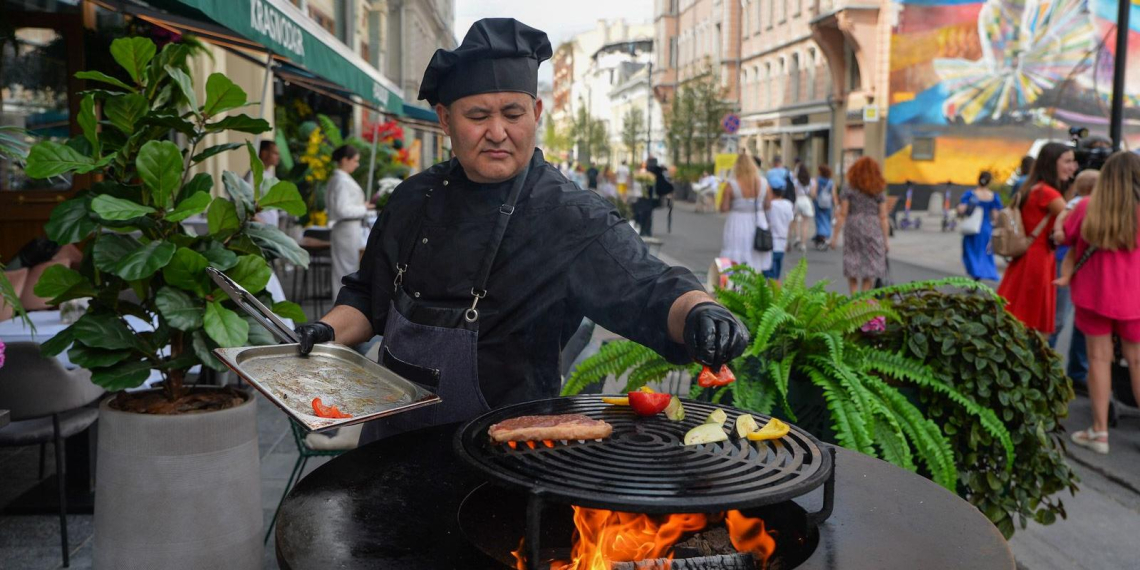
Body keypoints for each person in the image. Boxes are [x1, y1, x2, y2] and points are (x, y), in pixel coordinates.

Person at [292, 18, 747, 444]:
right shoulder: (413, 198)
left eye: (513, 113)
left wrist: (699, 313)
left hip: (508, 461)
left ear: (537, 111)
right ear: (446, 120)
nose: (497, 131)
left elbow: (650, 287)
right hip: (390, 447)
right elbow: (366, 298)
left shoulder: (568, 215)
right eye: (477, 116)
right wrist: (325, 333)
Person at [1062, 151, 1140, 454]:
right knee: (1136, 360)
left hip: (1094, 294)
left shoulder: (1085, 207)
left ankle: (1099, 432)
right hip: (1134, 296)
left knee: (1098, 359)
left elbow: (1067, 237)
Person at [996, 142, 1073, 335]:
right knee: (1029, 321)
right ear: (1052, 163)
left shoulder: (1035, 187)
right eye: (1067, 161)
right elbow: (1073, 221)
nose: (1072, 167)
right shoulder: (1048, 192)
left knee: (1017, 317)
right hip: (1037, 259)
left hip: (1029, 256)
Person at [831, 157, 890, 294]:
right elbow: (883, 216)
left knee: (852, 261)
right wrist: (886, 241)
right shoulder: (878, 189)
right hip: (872, 226)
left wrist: (834, 237)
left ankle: (853, 296)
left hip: (853, 226)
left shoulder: (849, 188)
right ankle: (863, 297)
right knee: (871, 264)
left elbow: (843, 213)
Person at [326, 144, 372, 299]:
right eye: (355, 160)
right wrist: (363, 209)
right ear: (345, 160)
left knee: (347, 270)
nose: (357, 164)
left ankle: (344, 307)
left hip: (348, 230)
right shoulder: (341, 180)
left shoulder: (340, 179)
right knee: (345, 272)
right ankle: (341, 308)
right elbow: (342, 210)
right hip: (346, 230)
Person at [719, 152, 772, 273]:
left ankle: (731, 287)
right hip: (758, 221)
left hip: (737, 221)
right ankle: (753, 284)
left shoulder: (732, 185)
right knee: (755, 255)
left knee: (732, 252)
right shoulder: (764, 183)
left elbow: (724, 208)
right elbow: (768, 205)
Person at [1052, 170, 1098, 287]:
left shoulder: (1084, 202)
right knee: (1070, 256)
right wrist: (1058, 230)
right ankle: (1065, 277)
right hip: (1075, 240)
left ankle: (1066, 277)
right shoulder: (1078, 202)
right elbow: (1062, 216)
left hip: (1080, 240)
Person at [956, 171, 1004, 281]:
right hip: (986, 227)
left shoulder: (971, 194)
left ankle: (975, 272)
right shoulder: (993, 196)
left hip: (972, 228)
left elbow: (961, 208)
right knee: (984, 252)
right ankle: (983, 272)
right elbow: (996, 215)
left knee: (970, 251)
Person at [244, 140, 282, 228]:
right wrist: (259, 222)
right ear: (264, 153)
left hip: (269, 231)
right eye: (275, 153)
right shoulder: (253, 175)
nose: (278, 157)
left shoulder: (269, 176)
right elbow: (245, 202)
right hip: (258, 230)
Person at [764, 185, 795, 280]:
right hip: (782, 242)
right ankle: (776, 293)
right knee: (776, 274)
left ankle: (773, 294)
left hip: (770, 242)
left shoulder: (770, 205)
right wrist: (789, 241)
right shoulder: (788, 204)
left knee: (769, 275)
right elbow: (791, 223)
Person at [810, 164, 838, 246]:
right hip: (828, 203)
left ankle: (820, 235)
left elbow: (814, 192)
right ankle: (826, 234)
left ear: (821, 172)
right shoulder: (831, 182)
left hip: (818, 202)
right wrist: (836, 205)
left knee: (819, 219)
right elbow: (834, 194)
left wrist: (814, 198)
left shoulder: (817, 180)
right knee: (827, 219)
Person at [790, 163, 814, 252]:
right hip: (806, 200)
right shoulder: (810, 180)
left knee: (793, 221)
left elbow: (794, 192)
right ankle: (803, 245)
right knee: (805, 224)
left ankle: (792, 239)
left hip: (797, 200)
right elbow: (811, 193)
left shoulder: (796, 181)